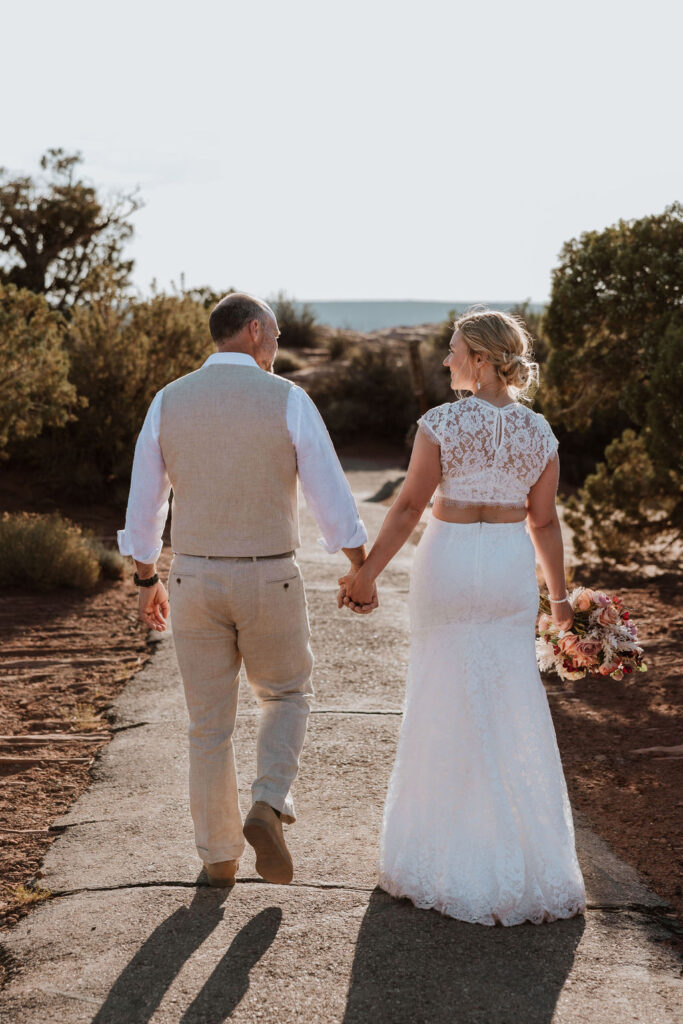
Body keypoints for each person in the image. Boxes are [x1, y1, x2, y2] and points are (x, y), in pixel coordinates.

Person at [118, 292, 376, 888]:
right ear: (255, 331)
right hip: (268, 576)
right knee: (286, 694)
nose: (279, 346)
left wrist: (146, 578)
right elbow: (329, 496)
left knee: (207, 725)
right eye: (278, 335)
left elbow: (144, 504)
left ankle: (218, 857)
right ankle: (268, 800)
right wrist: (360, 567)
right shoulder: (287, 399)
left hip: (194, 578)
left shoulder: (167, 401)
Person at [340, 308, 586, 926]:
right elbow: (545, 523)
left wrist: (367, 574)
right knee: (512, 700)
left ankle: (440, 856)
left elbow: (407, 508)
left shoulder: (441, 423)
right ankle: (525, 862)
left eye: (453, 350)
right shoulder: (540, 432)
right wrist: (560, 606)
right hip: (506, 569)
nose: (446, 360)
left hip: (448, 564)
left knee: (440, 697)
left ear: (480, 357)